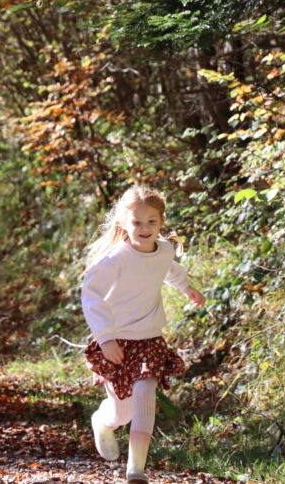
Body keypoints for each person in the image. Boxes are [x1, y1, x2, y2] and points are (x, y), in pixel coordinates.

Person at [81, 186, 207, 484]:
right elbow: (91, 294)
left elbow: (169, 269)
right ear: (124, 223)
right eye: (137, 222)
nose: (144, 228)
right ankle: (101, 421)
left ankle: (136, 469)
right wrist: (106, 337)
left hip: (150, 340)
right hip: (118, 342)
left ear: (161, 222)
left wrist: (187, 287)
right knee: (121, 412)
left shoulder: (164, 249)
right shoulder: (115, 259)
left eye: (152, 222)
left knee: (145, 395)